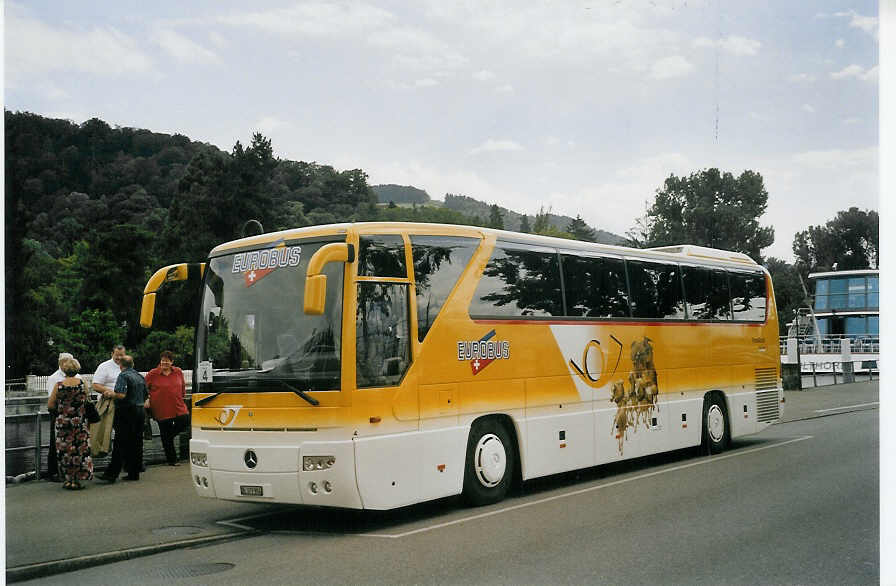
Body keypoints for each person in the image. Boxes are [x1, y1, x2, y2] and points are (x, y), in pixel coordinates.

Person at [97, 355, 146, 483]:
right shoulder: (140, 376)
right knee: (136, 442)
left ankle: (111, 473)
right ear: (133, 364)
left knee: (120, 442)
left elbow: (121, 395)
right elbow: (146, 394)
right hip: (140, 411)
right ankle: (133, 472)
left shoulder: (123, 376)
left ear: (120, 365)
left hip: (127, 412)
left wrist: (110, 393)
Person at [47, 356, 93, 489]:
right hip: (79, 422)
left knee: (65, 451)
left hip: (64, 422)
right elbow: (87, 400)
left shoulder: (59, 385)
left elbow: (50, 405)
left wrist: (62, 408)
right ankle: (77, 480)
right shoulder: (82, 383)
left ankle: (68, 479)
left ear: (65, 370)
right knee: (80, 450)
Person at [145, 351, 190, 466]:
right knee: (165, 432)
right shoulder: (153, 373)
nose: (165, 362)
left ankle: (168, 437)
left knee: (185, 420)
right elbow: (143, 387)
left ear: (172, 362)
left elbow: (183, 386)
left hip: (178, 405)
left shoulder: (178, 371)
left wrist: (182, 394)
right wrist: (146, 398)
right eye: (163, 360)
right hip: (161, 408)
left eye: (167, 360)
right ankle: (172, 460)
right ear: (160, 361)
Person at [45, 352, 80, 482]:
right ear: (61, 363)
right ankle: (53, 471)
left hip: (74, 414)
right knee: (55, 442)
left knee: (71, 442)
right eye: (67, 362)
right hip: (58, 413)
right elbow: (51, 400)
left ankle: (69, 471)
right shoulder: (54, 378)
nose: (69, 364)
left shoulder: (77, 376)